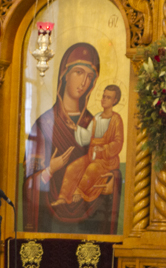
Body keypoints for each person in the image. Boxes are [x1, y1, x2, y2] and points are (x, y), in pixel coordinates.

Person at [23, 43, 120, 234]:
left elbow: (108, 166)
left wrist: (112, 181)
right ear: (64, 75)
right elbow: (29, 183)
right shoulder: (44, 124)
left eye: (89, 76)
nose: (84, 82)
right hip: (48, 224)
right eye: (78, 72)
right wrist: (50, 170)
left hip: (88, 221)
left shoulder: (94, 123)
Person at [53, 85, 124, 206]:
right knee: (72, 167)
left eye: (108, 97)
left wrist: (104, 148)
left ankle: (79, 191)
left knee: (92, 169)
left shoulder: (116, 119)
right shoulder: (97, 117)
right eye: (103, 96)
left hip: (106, 160)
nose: (104, 99)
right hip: (92, 156)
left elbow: (118, 142)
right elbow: (87, 136)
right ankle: (63, 197)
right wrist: (76, 128)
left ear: (115, 101)